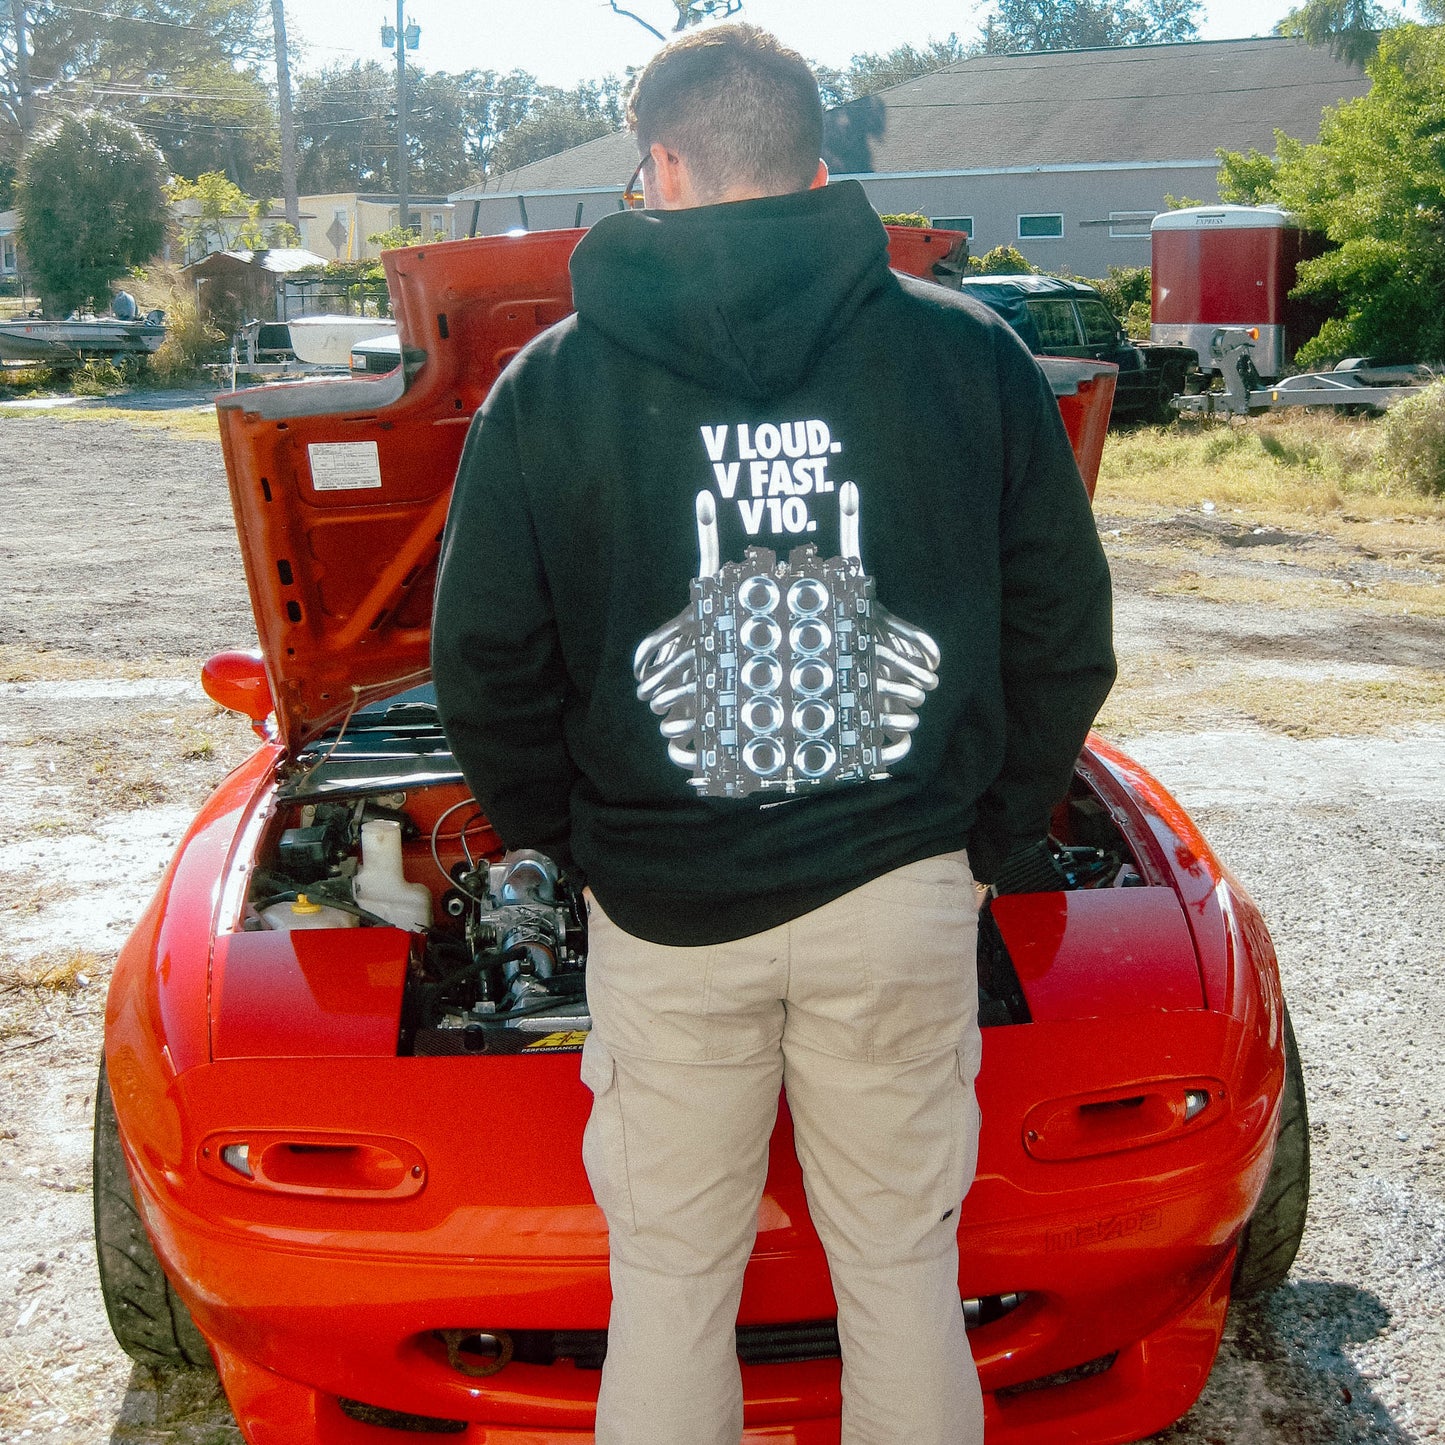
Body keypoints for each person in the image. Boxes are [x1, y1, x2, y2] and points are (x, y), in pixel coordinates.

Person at [431, 23, 1115, 1445]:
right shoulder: (968, 354)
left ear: (662, 160)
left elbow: (485, 663)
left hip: (668, 911)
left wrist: (578, 841)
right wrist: (986, 839)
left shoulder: (546, 386)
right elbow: (1060, 630)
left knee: (672, 1281)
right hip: (902, 891)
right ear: (816, 159)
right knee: (899, 1271)